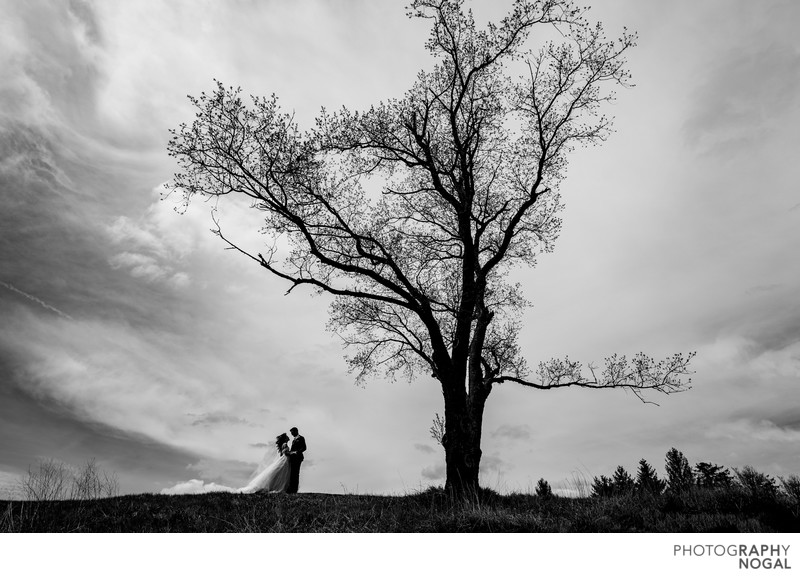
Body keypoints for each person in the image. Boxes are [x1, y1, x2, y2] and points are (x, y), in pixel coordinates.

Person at [285, 427, 306, 494]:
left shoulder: (301, 438)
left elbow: (304, 447)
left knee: (296, 473)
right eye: (291, 433)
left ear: (296, 431)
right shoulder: (293, 440)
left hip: (298, 458)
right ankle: (291, 488)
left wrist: (297, 452)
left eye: (292, 433)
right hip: (293, 458)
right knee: (292, 473)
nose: (292, 434)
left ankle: (294, 489)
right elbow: (292, 449)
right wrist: (289, 453)